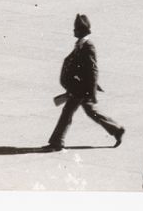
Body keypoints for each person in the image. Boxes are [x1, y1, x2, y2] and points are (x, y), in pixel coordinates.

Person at [47, 13, 125, 150]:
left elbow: (93, 71)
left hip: (82, 89)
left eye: (75, 29)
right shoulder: (80, 45)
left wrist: (92, 92)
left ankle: (57, 142)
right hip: (79, 88)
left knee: (68, 112)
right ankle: (116, 129)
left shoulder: (88, 46)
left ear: (80, 31)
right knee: (89, 112)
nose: (73, 31)